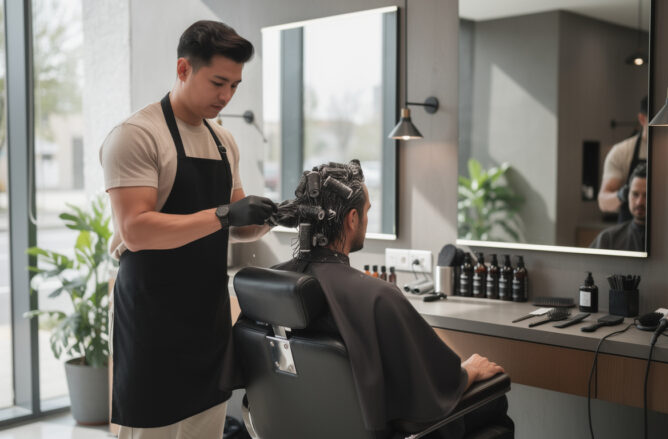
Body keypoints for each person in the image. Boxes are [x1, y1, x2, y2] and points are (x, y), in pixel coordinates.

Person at [100, 21, 276, 439]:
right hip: (151, 321)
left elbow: (237, 224)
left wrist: (271, 217)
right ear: (183, 69)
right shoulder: (137, 136)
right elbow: (136, 230)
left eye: (234, 85)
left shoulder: (223, 141)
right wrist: (226, 215)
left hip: (206, 318)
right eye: (218, 82)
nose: (226, 96)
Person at [268, 161, 514, 439]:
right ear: (352, 219)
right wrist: (468, 371)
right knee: (494, 397)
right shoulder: (378, 296)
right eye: (367, 212)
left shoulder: (271, 284)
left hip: (306, 423)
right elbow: (433, 388)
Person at [598, 97, 648, 222]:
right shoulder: (622, 152)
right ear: (642, 118)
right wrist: (624, 194)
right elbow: (604, 202)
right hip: (629, 232)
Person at [591, 163, 647, 251]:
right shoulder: (608, 239)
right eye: (635, 194)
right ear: (627, 194)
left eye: (646, 195)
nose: (639, 202)